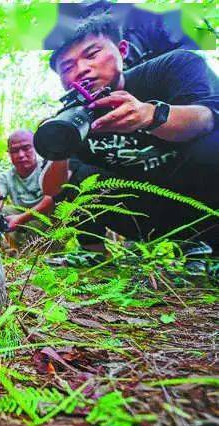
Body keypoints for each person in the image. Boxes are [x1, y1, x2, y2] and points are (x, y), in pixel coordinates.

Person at [40, 13, 218, 267]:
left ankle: (208, 249)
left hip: (201, 199)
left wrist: (151, 115)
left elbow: (207, 118)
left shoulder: (173, 67)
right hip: (144, 214)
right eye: (67, 67)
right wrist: (60, 144)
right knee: (78, 179)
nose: (81, 70)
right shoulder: (75, 119)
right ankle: (93, 254)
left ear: (122, 50)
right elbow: (52, 190)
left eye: (92, 55)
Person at [0, 130, 54, 248]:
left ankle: (45, 251)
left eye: (26, 148)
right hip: (22, 223)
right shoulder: (5, 177)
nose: (21, 155)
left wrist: (21, 219)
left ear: (36, 148)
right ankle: (9, 253)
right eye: (15, 151)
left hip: (50, 223)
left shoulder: (48, 168)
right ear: (9, 153)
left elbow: (52, 200)